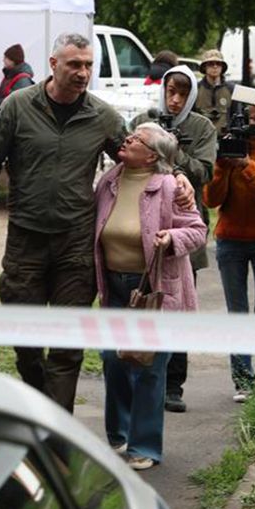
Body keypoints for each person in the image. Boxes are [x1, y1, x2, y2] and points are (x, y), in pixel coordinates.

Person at [0, 32, 195, 412]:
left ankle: (56, 430)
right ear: (53, 64)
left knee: (68, 346)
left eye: (88, 65)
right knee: (26, 341)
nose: (83, 72)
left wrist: (178, 175)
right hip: (26, 241)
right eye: (74, 65)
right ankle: (40, 407)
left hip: (75, 244)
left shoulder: (102, 116)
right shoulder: (18, 106)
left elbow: (144, 153)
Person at [94, 123, 206, 471]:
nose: (127, 139)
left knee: (148, 367)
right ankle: (119, 435)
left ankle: (144, 446)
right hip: (114, 286)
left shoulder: (170, 186)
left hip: (153, 290)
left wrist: (171, 238)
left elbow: (197, 230)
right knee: (113, 360)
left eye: (137, 139)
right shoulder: (109, 181)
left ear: (152, 155)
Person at [130, 64, 216, 413]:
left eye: (182, 93)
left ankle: (173, 383)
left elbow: (204, 172)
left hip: (181, 226)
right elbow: (130, 161)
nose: (175, 100)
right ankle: (138, 371)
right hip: (143, 224)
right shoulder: (145, 120)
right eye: (170, 92)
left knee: (176, 302)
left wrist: (172, 149)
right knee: (141, 300)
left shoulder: (202, 127)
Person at [203, 90, 255, 400]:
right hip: (231, 240)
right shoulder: (229, 147)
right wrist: (224, 166)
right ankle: (242, 381)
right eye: (254, 119)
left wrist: (246, 165)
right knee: (237, 311)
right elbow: (211, 199)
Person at [0, 44, 35, 113]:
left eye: (6, 58)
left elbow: (16, 100)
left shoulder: (23, 80)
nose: (3, 60)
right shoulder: (9, 76)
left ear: (13, 60)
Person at [194, 49, 233, 133]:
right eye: (211, 64)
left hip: (224, 136)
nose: (215, 67)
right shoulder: (196, 89)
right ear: (204, 67)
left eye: (218, 64)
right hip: (201, 136)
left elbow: (236, 114)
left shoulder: (231, 89)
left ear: (222, 67)